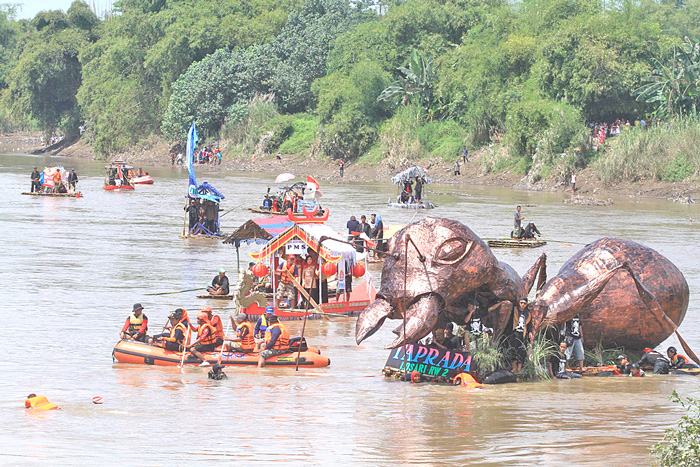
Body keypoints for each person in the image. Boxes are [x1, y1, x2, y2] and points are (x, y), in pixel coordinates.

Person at [508, 296, 532, 373]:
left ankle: (519, 368)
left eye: (524, 303)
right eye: (521, 303)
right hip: (514, 333)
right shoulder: (515, 310)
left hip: (523, 333)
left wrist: (530, 332)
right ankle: (514, 367)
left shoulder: (527, 313)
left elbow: (529, 324)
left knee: (522, 351)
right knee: (513, 350)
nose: (522, 305)